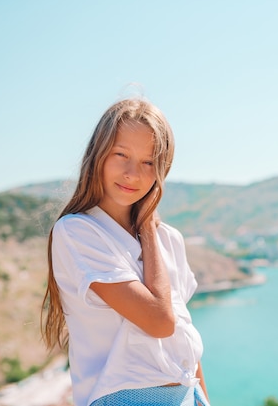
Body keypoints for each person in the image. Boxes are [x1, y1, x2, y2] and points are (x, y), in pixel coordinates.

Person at [41, 97, 210, 406]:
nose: (134, 173)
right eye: (121, 155)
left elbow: (182, 339)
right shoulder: (78, 232)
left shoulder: (170, 238)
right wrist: (146, 226)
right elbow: (159, 322)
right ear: (98, 156)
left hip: (188, 395)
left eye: (149, 162)